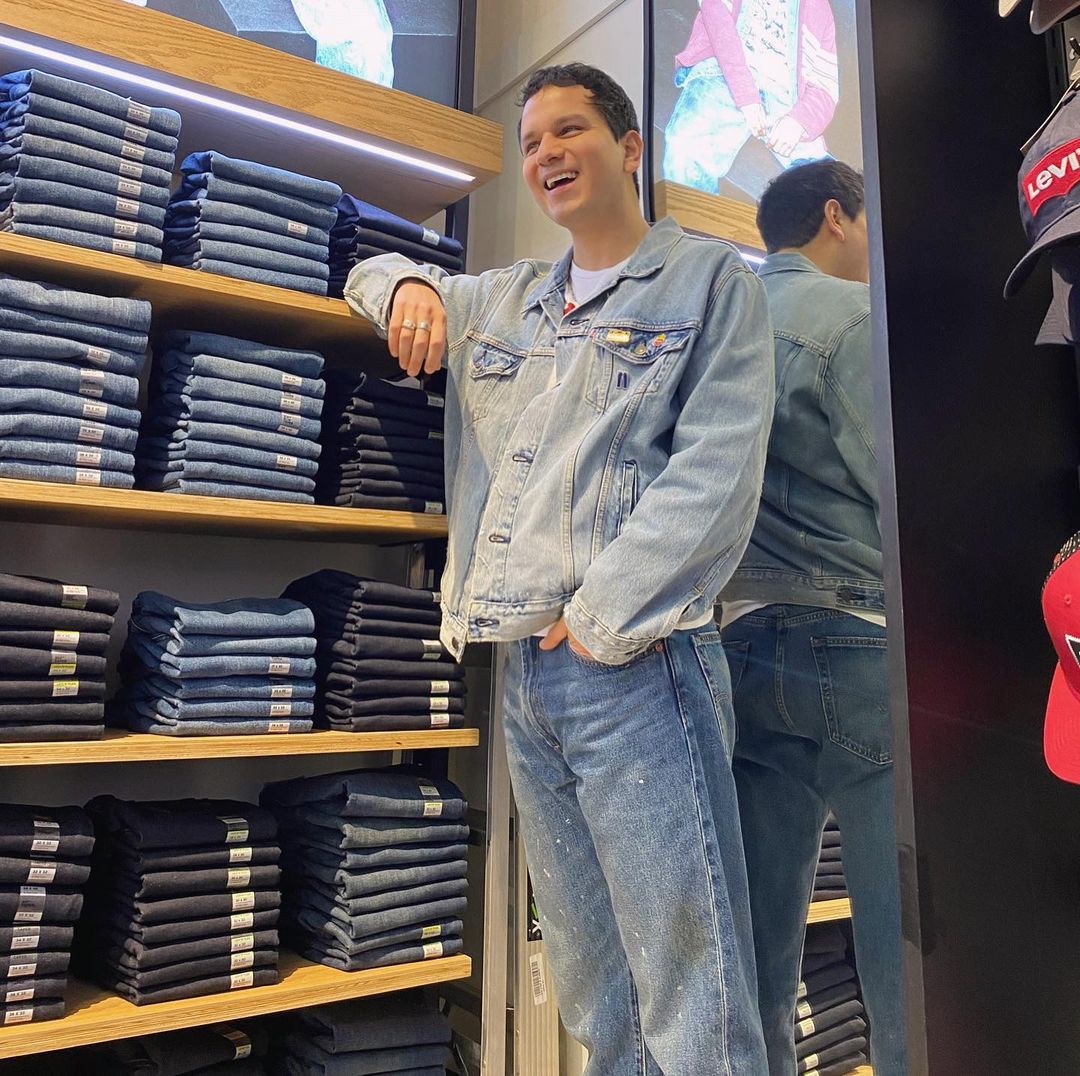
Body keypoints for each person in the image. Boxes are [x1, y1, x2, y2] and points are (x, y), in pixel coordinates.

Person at [344, 61, 774, 1075]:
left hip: (641, 661)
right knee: (591, 980)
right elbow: (364, 275)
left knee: (693, 986)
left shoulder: (710, 283)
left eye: (568, 130)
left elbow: (716, 472)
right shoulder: (511, 301)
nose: (545, 155)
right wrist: (409, 285)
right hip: (525, 671)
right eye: (531, 142)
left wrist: (598, 616)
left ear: (630, 147)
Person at [718, 159, 906, 1075]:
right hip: (857, 637)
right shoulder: (853, 318)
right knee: (906, 956)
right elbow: (900, 493)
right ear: (838, 215)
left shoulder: (722, 324)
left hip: (746, 640)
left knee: (755, 951)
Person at [664, 0, 839, 194]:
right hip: (722, 73)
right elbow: (717, 20)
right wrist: (745, 94)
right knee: (688, 146)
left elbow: (826, 87)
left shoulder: (821, 10)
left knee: (833, 188)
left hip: (788, 101)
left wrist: (799, 121)